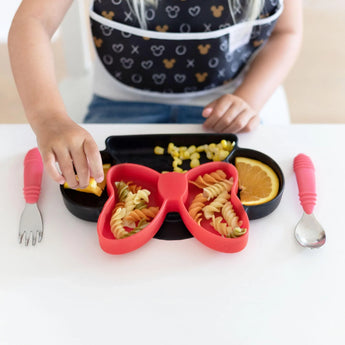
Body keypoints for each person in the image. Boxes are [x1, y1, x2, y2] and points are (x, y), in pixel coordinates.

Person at [8, 0, 303, 189]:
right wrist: (48, 118)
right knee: (96, 196)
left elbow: (286, 33)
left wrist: (249, 99)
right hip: (122, 101)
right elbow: (33, 21)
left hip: (229, 99)